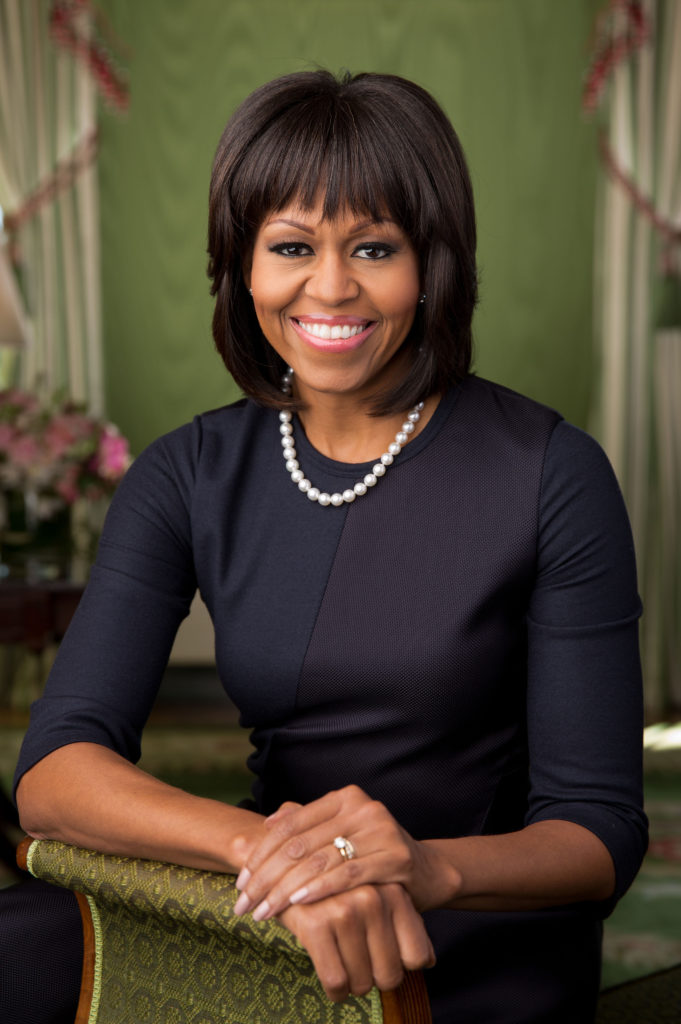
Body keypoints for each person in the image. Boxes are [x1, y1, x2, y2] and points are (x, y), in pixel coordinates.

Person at [12, 70, 647, 1023]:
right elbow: (55, 772)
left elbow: (598, 833)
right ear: (243, 267)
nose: (331, 286)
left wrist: (420, 867)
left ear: (432, 264)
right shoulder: (187, 472)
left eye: (374, 248)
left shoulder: (552, 472)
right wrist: (269, 854)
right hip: (274, 901)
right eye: (292, 247)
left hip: (464, 925)